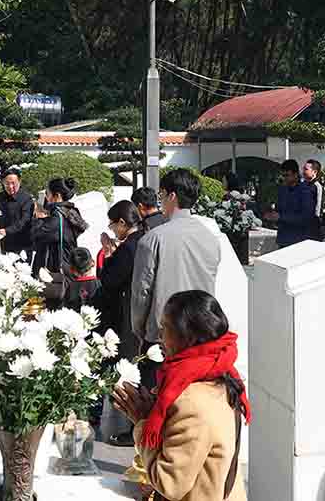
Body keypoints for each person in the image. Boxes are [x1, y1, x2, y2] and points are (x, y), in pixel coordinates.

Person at [113, 291, 250, 501]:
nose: (159, 336)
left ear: (188, 337)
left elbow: (170, 484)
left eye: (165, 328)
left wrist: (142, 423)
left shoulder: (192, 402)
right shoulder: (221, 374)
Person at [132, 169, 221, 390]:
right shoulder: (210, 237)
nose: (160, 200)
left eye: (162, 194)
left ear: (172, 196)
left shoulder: (153, 239)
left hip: (163, 337)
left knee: (156, 408)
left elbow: (141, 293)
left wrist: (140, 330)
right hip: (202, 334)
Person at [97, 200, 145, 446]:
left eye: (114, 225)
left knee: (127, 367)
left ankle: (131, 425)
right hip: (141, 311)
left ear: (123, 223)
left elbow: (110, 280)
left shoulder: (128, 248)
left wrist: (107, 254)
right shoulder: (145, 239)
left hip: (125, 312)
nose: (113, 229)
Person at [30, 177, 88, 282]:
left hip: (55, 268)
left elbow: (37, 234)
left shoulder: (57, 217)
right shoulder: (71, 211)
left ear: (57, 196)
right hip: (69, 264)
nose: (46, 197)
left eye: (48, 193)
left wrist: (36, 217)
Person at [264, 159, 314, 248]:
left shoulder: (306, 191)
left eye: (287, 175)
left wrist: (281, 217)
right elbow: (279, 210)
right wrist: (271, 216)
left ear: (295, 174)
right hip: (283, 239)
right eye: (283, 175)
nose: (284, 178)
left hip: (298, 240)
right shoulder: (282, 190)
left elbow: (306, 217)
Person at [0, 167, 34, 261]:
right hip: (5, 242)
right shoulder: (0, 197)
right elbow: (0, 216)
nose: (10, 186)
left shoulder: (26, 199)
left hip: (22, 244)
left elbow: (25, 221)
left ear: (19, 182)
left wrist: (7, 230)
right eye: (7, 183)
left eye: (13, 183)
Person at [302, 159, 325, 241]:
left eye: (306, 169)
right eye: (303, 169)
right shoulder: (302, 185)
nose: (303, 171)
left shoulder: (317, 187)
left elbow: (318, 209)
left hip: (312, 227)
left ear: (314, 172)